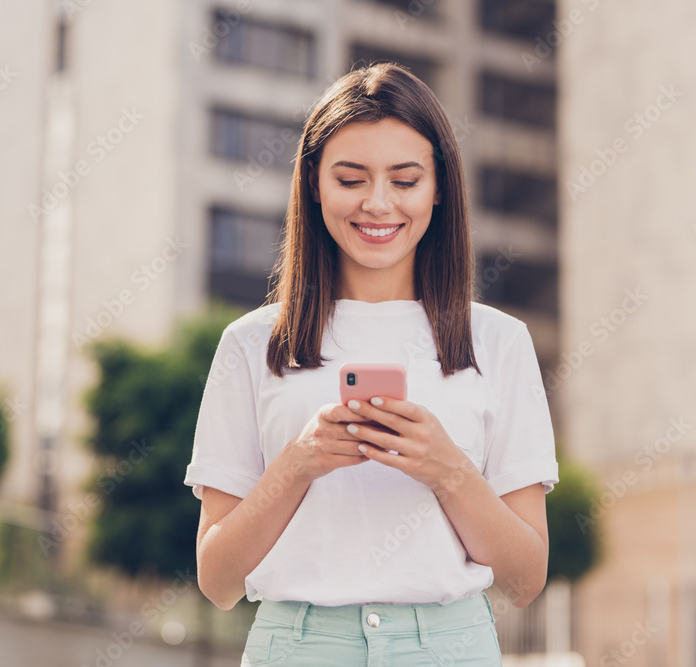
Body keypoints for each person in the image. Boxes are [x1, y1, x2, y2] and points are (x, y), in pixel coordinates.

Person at [183, 62, 559, 666]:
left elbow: (525, 579)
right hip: (298, 647)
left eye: (405, 180)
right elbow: (218, 581)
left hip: (450, 647)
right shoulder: (253, 344)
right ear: (313, 184)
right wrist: (299, 464)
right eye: (351, 178)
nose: (377, 204)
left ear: (439, 186)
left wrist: (447, 471)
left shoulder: (499, 342)